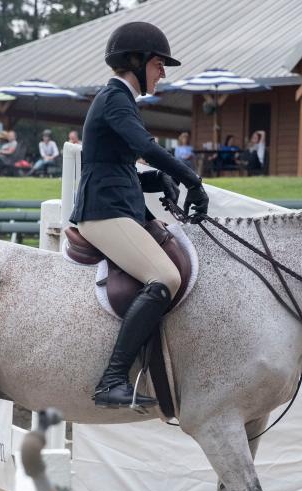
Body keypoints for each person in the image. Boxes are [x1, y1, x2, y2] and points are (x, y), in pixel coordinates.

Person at [69, 21, 208, 409]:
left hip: (118, 205)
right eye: (159, 63)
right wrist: (191, 179)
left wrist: (156, 179)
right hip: (103, 213)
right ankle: (112, 379)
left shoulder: (120, 100)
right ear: (137, 60)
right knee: (164, 276)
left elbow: (118, 166)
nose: (162, 72)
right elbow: (144, 146)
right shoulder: (115, 98)